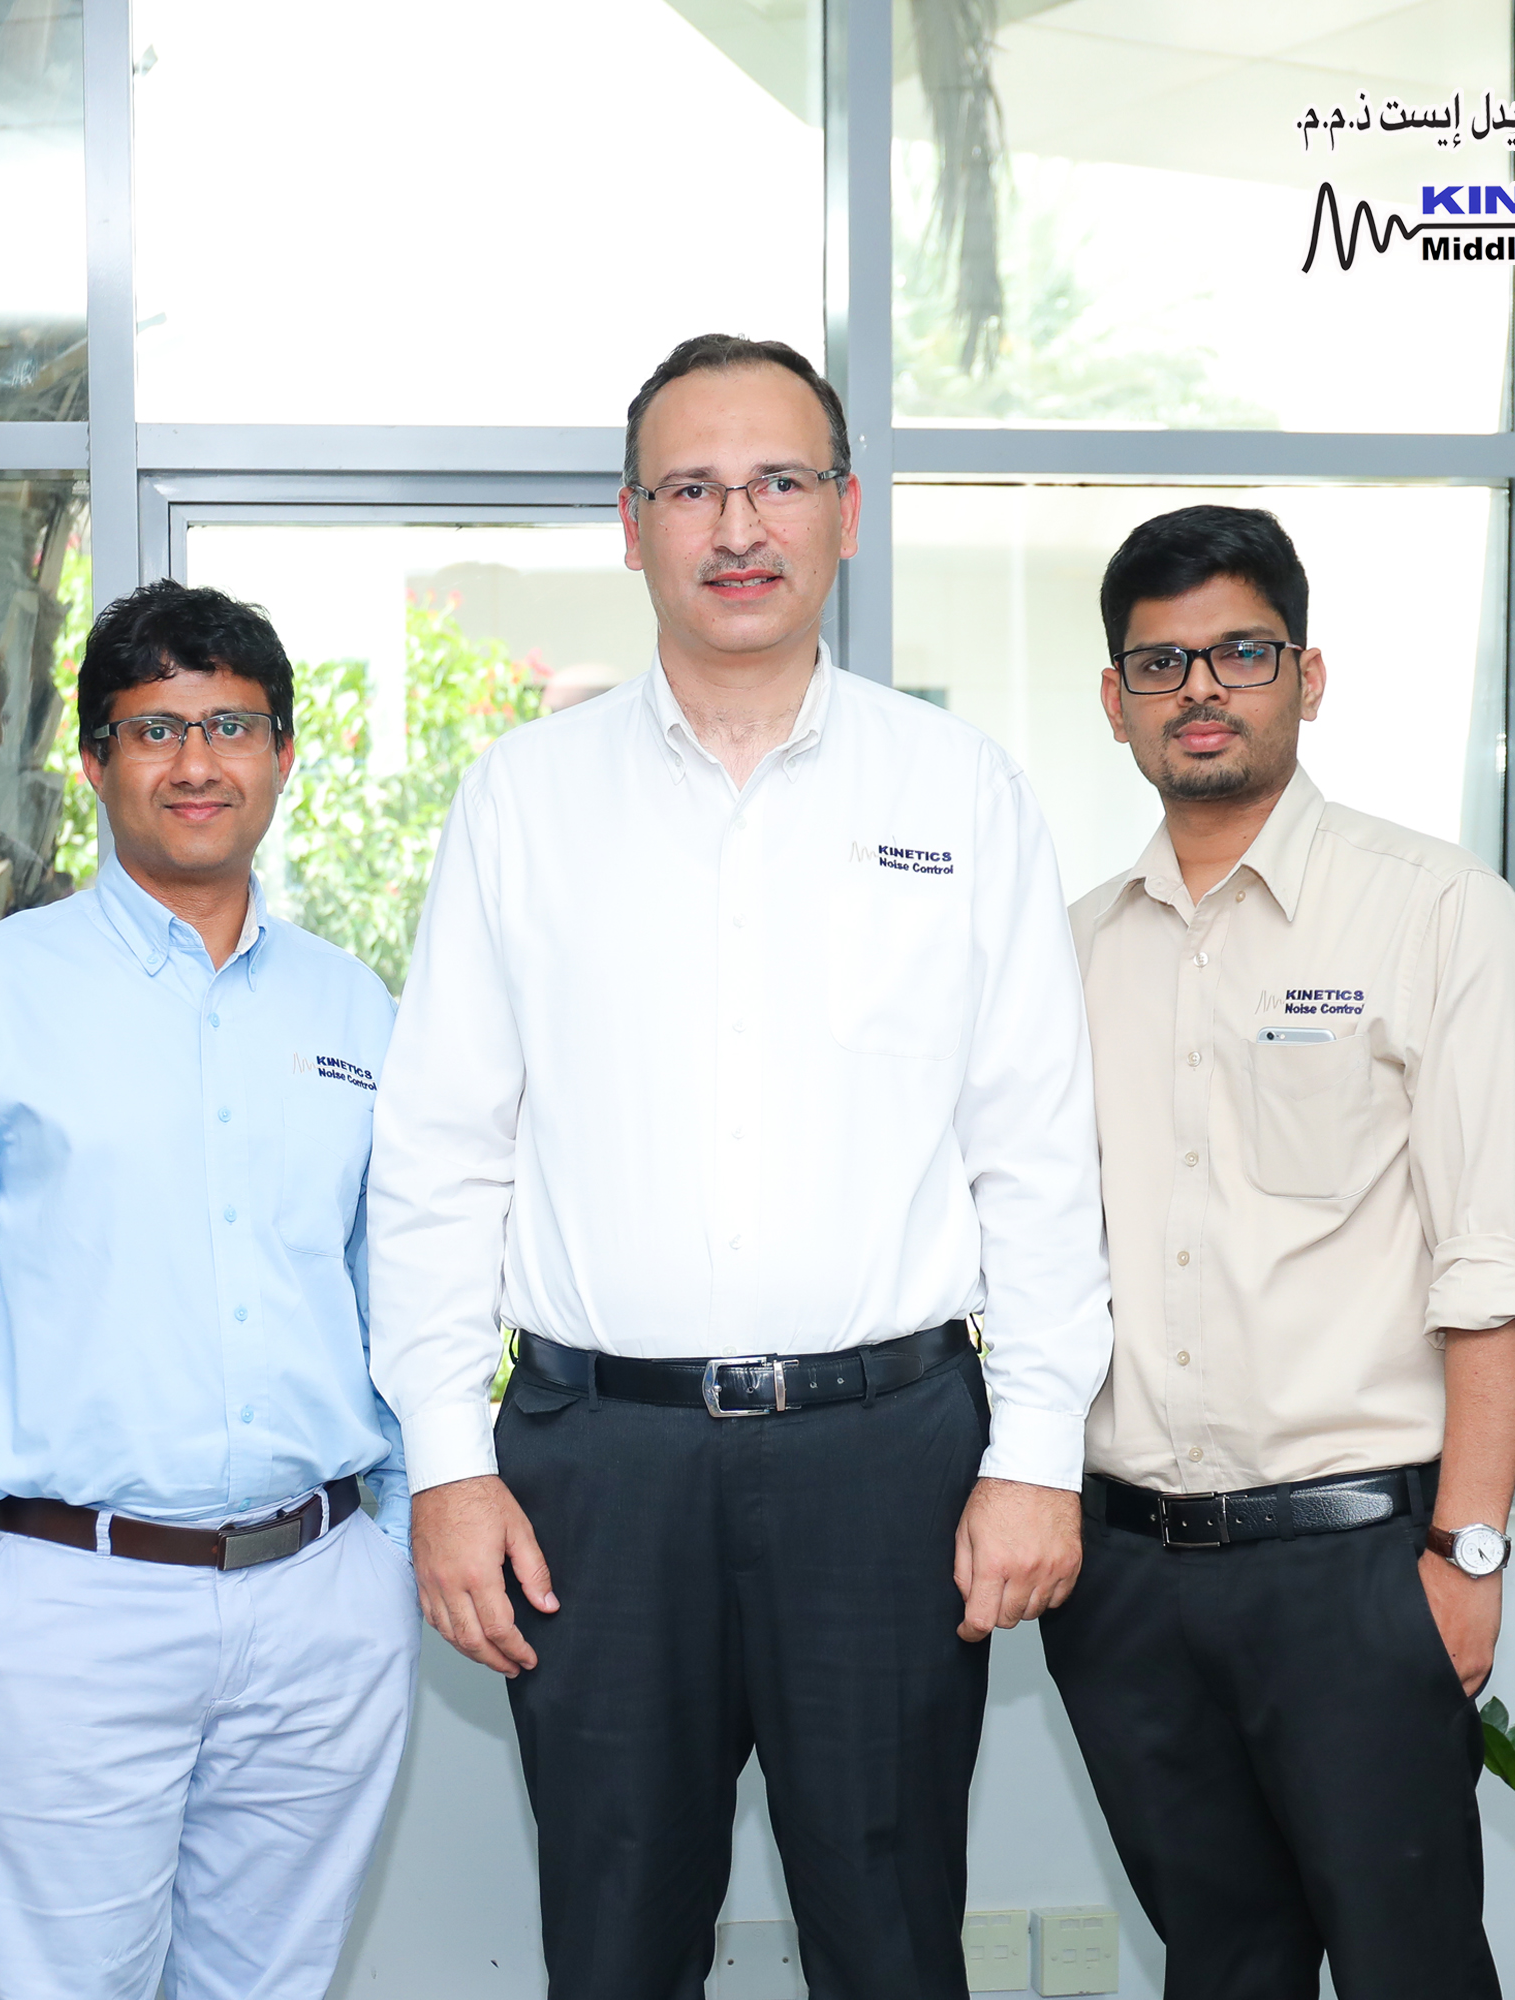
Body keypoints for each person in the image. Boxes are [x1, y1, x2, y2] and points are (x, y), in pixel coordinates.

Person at [367, 333, 1114, 1998]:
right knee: (617, 1946)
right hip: (597, 1468)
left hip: (890, 1459)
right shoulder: (522, 800)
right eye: (692, 487)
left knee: (891, 1941)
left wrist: (1039, 1449)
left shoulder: (960, 793)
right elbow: (439, 1159)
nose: (738, 524)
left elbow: (1035, 1154)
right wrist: (444, 1463)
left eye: (779, 480)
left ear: (847, 509)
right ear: (631, 524)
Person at [1042, 504, 1515, 1998]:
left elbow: (1499, 1258)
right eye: (1160, 663)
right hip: (1127, 1578)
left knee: (1412, 1968)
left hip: (1354, 1569)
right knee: (1222, 1967)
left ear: (1309, 674)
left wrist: (1467, 1555)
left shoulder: (1439, 914)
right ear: (1115, 701)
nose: (1200, 690)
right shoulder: (1069, 953)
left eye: (1241, 652)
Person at [0, 579, 417, 2000]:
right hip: (69, 1605)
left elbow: (401, 1290)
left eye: (231, 725)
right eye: (156, 728)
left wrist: (400, 1537)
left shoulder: (355, 1009)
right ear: (96, 759)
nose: (196, 762)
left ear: (283, 754)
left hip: (322, 1601)